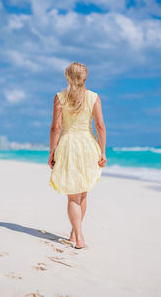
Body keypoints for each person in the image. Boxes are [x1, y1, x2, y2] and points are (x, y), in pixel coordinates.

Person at [48, 62, 107, 249]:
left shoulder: (60, 97)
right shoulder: (94, 97)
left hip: (68, 146)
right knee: (82, 194)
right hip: (88, 146)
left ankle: (77, 236)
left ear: (67, 76)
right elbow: (100, 126)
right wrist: (103, 151)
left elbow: (56, 127)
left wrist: (52, 151)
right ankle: (76, 234)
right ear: (85, 78)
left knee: (73, 197)